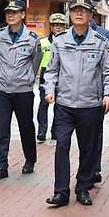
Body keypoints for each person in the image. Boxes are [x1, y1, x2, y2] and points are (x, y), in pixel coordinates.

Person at [44, 0, 109, 207]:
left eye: (83, 10)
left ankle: (83, 187)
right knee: (62, 146)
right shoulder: (59, 40)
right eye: (75, 9)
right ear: (70, 14)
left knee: (88, 149)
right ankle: (61, 192)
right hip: (64, 104)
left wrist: (108, 94)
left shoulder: (100, 42)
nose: (79, 13)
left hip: (90, 105)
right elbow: (52, 71)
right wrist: (50, 90)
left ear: (91, 15)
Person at [0, 0, 41, 180]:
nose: (10, 15)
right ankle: (0, 165)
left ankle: (30, 160)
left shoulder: (32, 38)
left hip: (23, 91)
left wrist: (26, 78)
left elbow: (35, 63)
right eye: (7, 12)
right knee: (1, 128)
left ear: (22, 15)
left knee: (26, 126)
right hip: (3, 89)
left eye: (14, 12)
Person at [89, 18, 109, 184]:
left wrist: (108, 91)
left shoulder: (104, 35)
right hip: (70, 97)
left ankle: (94, 169)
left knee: (95, 134)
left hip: (97, 93)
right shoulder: (66, 37)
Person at [37, 13, 68, 142]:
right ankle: (42, 131)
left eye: (61, 25)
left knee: (59, 106)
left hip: (62, 74)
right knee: (43, 105)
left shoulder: (67, 42)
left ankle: (55, 132)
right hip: (46, 75)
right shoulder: (42, 42)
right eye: (55, 25)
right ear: (51, 27)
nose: (58, 28)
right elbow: (36, 60)